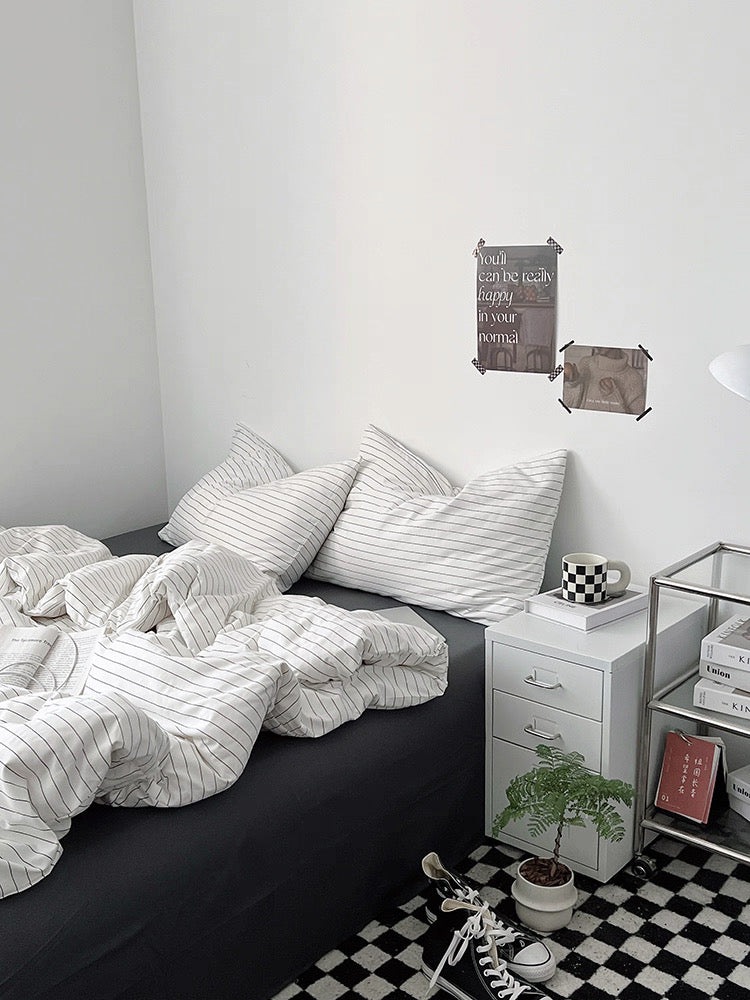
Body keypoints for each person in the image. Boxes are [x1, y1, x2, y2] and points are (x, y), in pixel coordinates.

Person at [563, 348, 646, 414]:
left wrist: (613, 397)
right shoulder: (585, 363)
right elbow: (567, 408)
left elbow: (635, 424)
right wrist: (572, 383)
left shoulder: (635, 378)